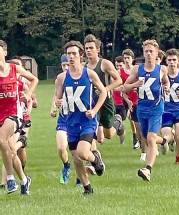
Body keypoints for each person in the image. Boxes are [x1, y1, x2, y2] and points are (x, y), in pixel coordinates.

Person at [54, 40, 106, 195]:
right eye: (68, 54)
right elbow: (58, 98)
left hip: (87, 120)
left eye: (74, 53)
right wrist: (57, 102)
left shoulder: (89, 73)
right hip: (71, 122)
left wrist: (95, 110)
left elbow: (103, 92)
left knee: (83, 153)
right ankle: (87, 188)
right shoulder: (61, 78)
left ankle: (96, 159)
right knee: (76, 159)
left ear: (81, 55)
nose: (71, 57)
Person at [124, 39, 170, 181]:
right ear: (143, 53)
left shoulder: (161, 69)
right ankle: (163, 142)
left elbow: (166, 81)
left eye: (151, 51)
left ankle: (147, 169)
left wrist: (167, 87)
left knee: (150, 138)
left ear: (156, 53)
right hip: (141, 108)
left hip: (156, 108)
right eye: (146, 51)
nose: (149, 54)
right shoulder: (138, 69)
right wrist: (135, 84)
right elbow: (124, 87)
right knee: (146, 138)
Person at [0, 39, 38, 194]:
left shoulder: (14, 69)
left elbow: (34, 79)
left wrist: (28, 95)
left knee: (1, 138)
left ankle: (9, 179)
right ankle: (24, 180)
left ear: (5, 52)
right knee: (8, 149)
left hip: (14, 114)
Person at [83, 34, 123, 144]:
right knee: (99, 138)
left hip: (106, 102)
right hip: (92, 103)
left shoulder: (104, 63)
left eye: (91, 48)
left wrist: (104, 89)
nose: (88, 50)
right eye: (86, 48)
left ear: (97, 49)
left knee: (108, 135)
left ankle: (117, 122)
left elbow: (119, 80)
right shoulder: (84, 67)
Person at [50, 54, 71, 184]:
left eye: (68, 64)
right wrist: (53, 108)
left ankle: (81, 178)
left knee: (79, 152)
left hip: (79, 119)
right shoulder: (60, 79)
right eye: (64, 65)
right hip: (64, 118)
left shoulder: (83, 76)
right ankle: (66, 166)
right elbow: (56, 96)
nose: (66, 67)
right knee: (61, 148)